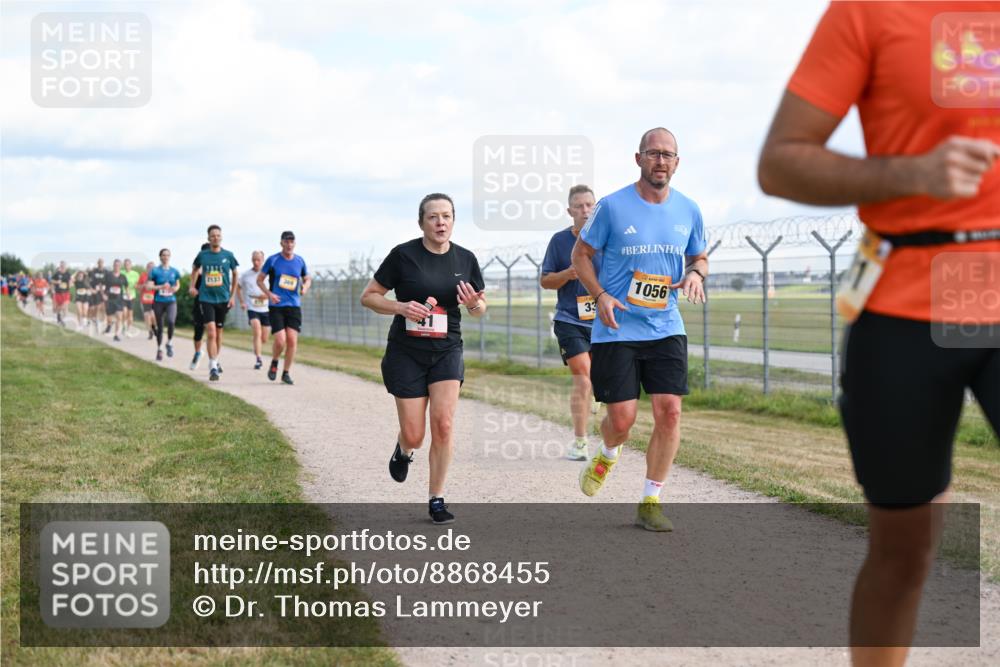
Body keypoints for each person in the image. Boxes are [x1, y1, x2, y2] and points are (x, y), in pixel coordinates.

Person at [757, 3, 999, 664]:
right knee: (904, 547)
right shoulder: (867, 11)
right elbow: (779, 164)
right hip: (905, 301)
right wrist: (911, 173)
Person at [571, 128, 708, 532]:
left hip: (666, 325)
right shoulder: (612, 207)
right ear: (639, 159)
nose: (660, 161)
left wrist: (696, 274)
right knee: (622, 421)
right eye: (653, 153)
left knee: (670, 412)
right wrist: (599, 295)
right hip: (617, 329)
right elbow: (581, 254)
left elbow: (699, 256)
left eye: (668, 155)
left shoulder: (689, 210)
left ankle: (651, 500)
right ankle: (608, 452)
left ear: (677, 163)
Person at [361, 193, 486, 525]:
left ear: (453, 221)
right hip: (407, 353)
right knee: (415, 435)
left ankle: (436, 499)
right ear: (421, 223)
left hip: (447, 349)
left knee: (443, 425)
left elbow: (479, 307)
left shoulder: (466, 259)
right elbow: (369, 297)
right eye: (433, 217)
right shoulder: (403, 256)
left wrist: (474, 305)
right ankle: (404, 449)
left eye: (446, 216)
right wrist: (401, 307)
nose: (440, 222)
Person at [541, 184, 601, 461]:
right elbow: (545, 281)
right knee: (583, 378)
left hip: (603, 320)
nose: (585, 210)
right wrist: (566, 274)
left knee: (598, 378)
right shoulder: (559, 241)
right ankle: (580, 442)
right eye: (579, 206)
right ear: (570, 211)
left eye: (589, 205)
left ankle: (597, 393)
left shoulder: (607, 240)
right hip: (569, 319)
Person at [258, 233, 310, 384]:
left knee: (292, 341)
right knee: (281, 341)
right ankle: (275, 361)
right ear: (281, 243)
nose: (289, 245)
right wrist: (269, 294)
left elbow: (307, 278)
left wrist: (305, 287)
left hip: (294, 306)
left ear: (295, 243)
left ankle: (286, 373)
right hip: (277, 306)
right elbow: (259, 280)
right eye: (286, 242)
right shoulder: (273, 260)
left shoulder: (299, 261)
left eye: (292, 242)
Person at [190, 226, 239, 381]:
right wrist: (192, 286)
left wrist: (232, 296)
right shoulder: (203, 255)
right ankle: (213, 367)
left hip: (223, 299)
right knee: (211, 332)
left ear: (221, 237)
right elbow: (194, 269)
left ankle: (215, 360)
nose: (215, 238)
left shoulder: (228, 255)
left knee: (218, 333)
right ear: (208, 238)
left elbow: (235, 274)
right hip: (206, 298)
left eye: (218, 235)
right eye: (213, 236)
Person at [237, 250, 272, 370]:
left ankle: (257, 347)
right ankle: (258, 359)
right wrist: (242, 302)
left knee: (264, 338)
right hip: (252, 307)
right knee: (257, 331)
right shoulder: (246, 275)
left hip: (266, 308)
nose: (256, 262)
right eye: (254, 260)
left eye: (258, 260)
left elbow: (275, 289)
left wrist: (267, 295)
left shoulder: (268, 274)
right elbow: (238, 287)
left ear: (263, 260)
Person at [148, 249, 181, 362]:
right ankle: (159, 349)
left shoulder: (174, 271)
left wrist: (175, 289)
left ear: (169, 257)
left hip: (171, 301)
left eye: (167, 255)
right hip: (158, 301)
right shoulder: (155, 271)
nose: (166, 257)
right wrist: (161, 287)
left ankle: (169, 342)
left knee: (171, 321)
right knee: (160, 327)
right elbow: (149, 286)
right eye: (163, 255)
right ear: (160, 257)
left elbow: (177, 285)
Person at [188, 243, 211, 371]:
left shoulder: (217, 266)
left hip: (213, 302)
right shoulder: (197, 268)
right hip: (199, 301)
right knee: (198, 329)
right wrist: (192, 289)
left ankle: (214, 360)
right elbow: (192, 285)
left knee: (212, 330)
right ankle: (197, 353)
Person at [104, 259, 129, 342]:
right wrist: (103, 294)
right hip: (109, 299)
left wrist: (128, 294)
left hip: (119, 299)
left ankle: (116, 335)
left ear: (120, 266)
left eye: (118, 265)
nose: (116, 267)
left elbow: (126, 286)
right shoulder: (108, 275)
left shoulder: (123, 276)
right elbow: (102, 285)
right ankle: (109, 324)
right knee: (109, 317)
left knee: (119, 317)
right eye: (115, 265)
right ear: (113, 266)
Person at [122, 258, 140, 337]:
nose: (127, 266)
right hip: (123, 295)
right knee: (124, 312)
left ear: (131, 265)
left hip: (132, 296)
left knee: (130, 314)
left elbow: (137, 284)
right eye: (125, 264)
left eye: (128, 264)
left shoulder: (136, 274)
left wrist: (137, 286)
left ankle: (128, 329)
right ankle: (124, 326)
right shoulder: (121, 272)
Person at [138, 261, 156, 339]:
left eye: (153, 267)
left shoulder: (157, 276)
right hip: (145, 299)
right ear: (147, 268)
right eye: (149, 267)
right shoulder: (143, 275)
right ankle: (150, 331)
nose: (151, 269)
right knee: (147, 316)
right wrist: (144, 285)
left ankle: (154, 327)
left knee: (153, 315)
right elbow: (138, 287)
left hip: (154, 299)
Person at [51, 261, 72, 325]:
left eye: (63, 265)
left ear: (65, 266)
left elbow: (70, 281)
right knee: (58, 307)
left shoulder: (68, 274)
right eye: (61, 265)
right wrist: (57, 282)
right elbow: (52, 280)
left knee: (64, 306)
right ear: (60, 266)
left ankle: (61, 319)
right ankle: (59, 316)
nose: (62, 267)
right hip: (58, 293)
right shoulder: (57, 273)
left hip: (66, 293)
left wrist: (70, 284)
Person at [89, 259, 108, 333]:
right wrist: (91, 289)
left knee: (103, 307)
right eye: (99, 262)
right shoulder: (94, 271)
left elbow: (109, 281)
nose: (101, 264)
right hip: (96, 292)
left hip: (104, 291)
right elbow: (89, 281)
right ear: (97, 263)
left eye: (102, 262)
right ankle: (95, 319)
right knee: (96, 307)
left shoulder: (106, 272)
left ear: (103, 263)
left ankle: (102, 321)